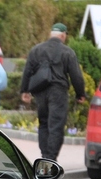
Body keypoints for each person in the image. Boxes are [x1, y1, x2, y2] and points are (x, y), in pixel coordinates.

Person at [20, 23, 86, 161]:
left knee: (43, 123)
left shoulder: (36, 50)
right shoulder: (68, 52)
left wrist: (25, 91)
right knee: (56, 125)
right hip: (58, 92)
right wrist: (80, 94)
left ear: (51, 34)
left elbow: (27, 71)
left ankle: (44, 155)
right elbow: (76, 76)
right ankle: (50, 159)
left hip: (40, 92)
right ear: (63, 35)